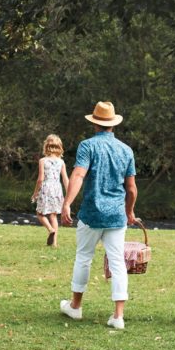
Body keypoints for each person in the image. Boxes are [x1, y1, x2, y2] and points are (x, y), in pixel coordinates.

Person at [60, 102, 140, 330]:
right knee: (117, 262)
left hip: (92, 213)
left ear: (94, 122)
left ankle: (75, 307)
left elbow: (77, 175)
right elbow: (132, 188)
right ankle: (118, 316)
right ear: (113, 124)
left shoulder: (87, 146)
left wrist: (67, 203)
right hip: (116, 216)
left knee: (83, 257)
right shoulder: (126, 150)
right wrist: (130, 210)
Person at [33, 134, 69, 247]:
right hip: (57, 189)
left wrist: (35, 193)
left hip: (46, 188)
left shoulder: (43, 161)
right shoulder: (61, 162)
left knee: (40, 213)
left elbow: (40, 179)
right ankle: (54, 244)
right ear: (59, 147)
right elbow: (65, 179)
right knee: (53, 216)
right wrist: (68, 195)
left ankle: (50, 229)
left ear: (46, 146)